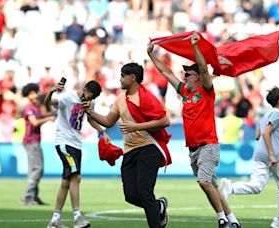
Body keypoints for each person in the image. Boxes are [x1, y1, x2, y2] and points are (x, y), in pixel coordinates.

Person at [148, 32, 241, 228]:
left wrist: (196, 48)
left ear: (198, 77)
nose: (185, 76)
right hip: (193, 149)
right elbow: (167, 73)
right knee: (212, 186)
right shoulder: (184, 92)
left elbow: (205, 72)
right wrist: (152, 56)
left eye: (188, 74)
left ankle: (221, 220)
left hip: (208, 145)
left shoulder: (206, 90)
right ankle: (233, 221)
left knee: (204, 182)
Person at [82, 63, 171, 228]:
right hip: (130, 150)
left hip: (149, 147)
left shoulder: (147, 97)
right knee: (130, 195)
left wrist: (136, 127)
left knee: (145, 192)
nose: (120, 78)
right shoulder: (120, 98)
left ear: (133, 78)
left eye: (123, 75)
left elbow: (165, 121)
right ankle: (158, 206)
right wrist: (91, 112)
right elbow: (109, 121)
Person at [219, 86, 279, 228]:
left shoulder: (266, 113)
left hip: (260, 153)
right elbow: (265, 133)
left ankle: (230, 188)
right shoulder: (278, 114)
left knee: (257, 186)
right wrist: (273, 154)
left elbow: (257, 135)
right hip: (271, 155)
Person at [44, 79, 110, 228]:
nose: (88, 100)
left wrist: (102, 132)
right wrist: (51, 91)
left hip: (76, 144)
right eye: (88, 96)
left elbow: (91, 120)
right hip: (64, 142)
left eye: (92, 99)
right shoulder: (68, 97)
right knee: (76, 177)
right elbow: (49, 103)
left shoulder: (88, 103)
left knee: (66, 182)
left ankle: (55, 220)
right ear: (84, 89)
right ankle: (77, 217)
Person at [20, 83, 55, 205]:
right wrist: (49, 119)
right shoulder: (29, 108)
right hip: (31, 141)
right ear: (28, 95)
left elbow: (41, 116)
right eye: (32, 93)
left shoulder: (35, 107)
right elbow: (34, 122)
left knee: (34, 170)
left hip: (34, 141)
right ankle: (27, 196)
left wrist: (51, 114)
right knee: (38, 169)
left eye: (35, 92)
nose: (35, 95)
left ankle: (33, 196)